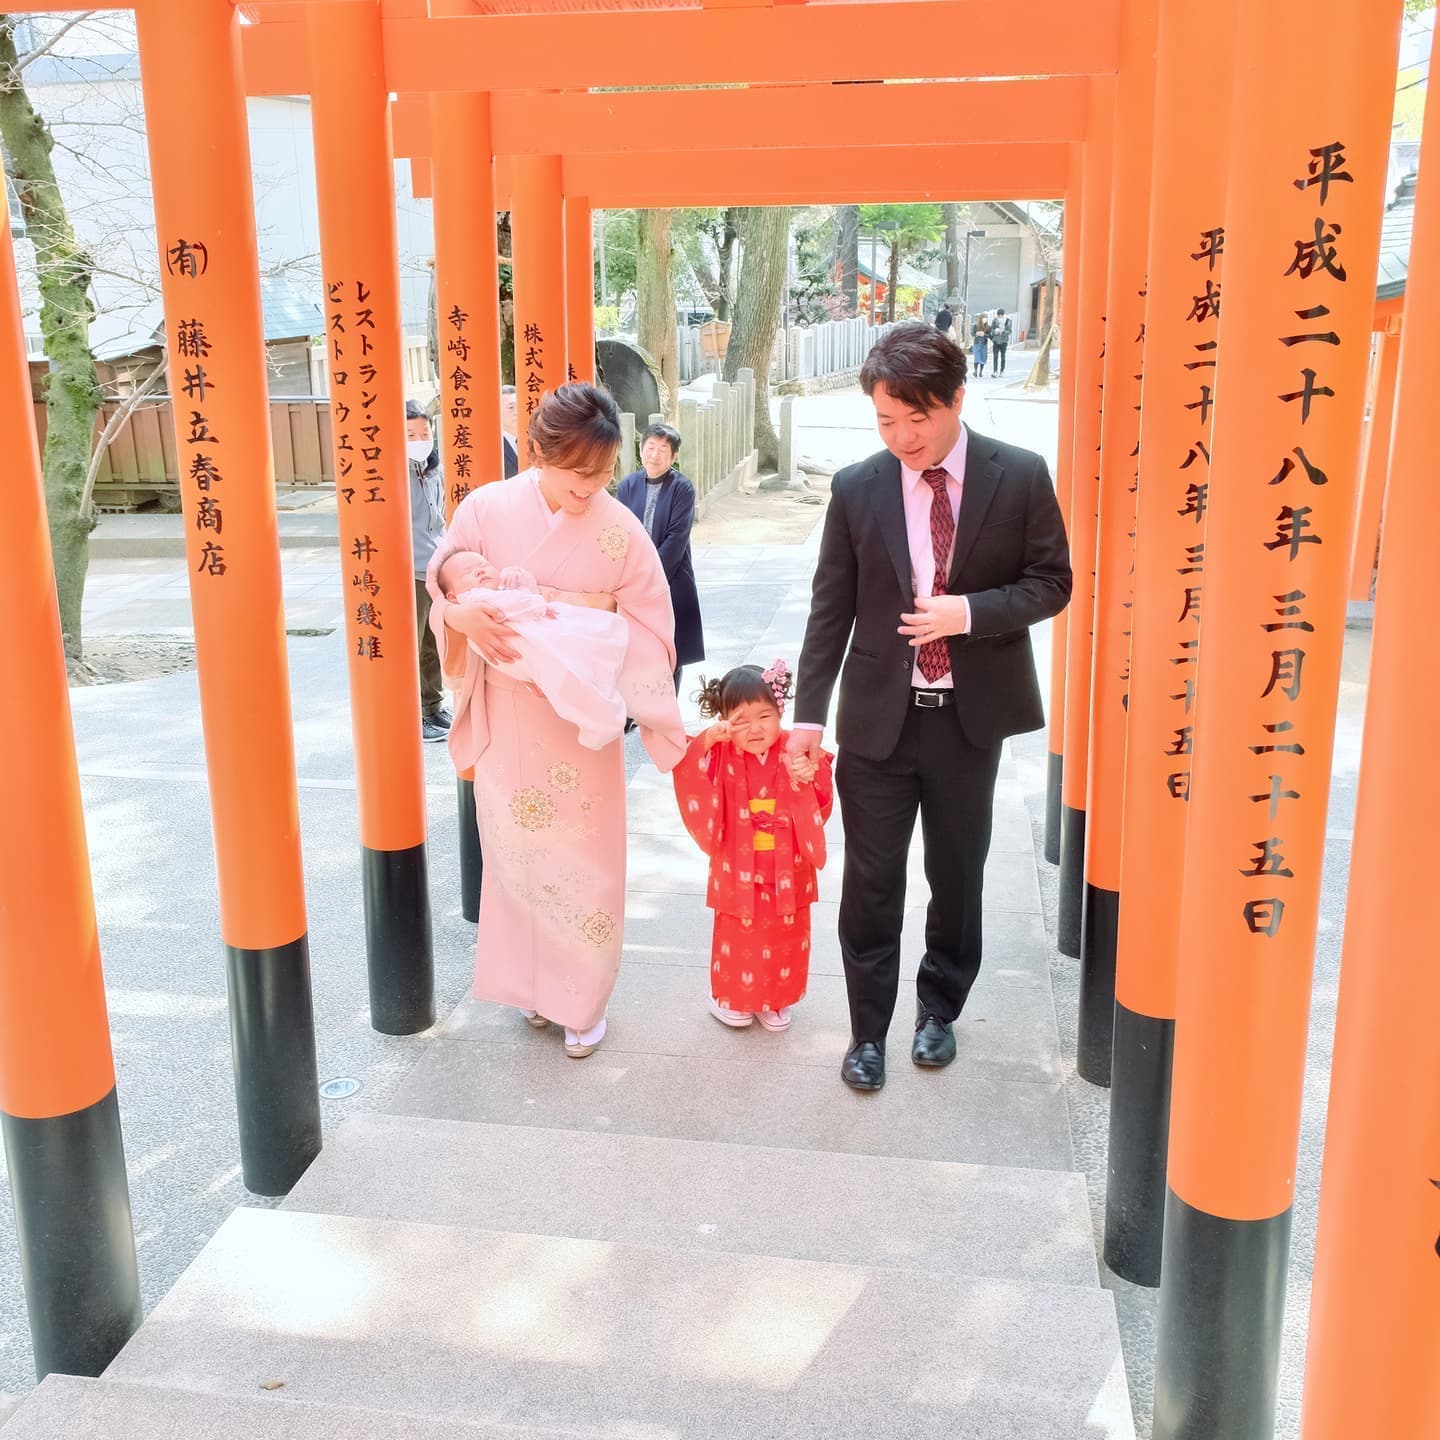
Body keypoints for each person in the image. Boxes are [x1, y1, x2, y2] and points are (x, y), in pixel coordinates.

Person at [786, 323, 1071, 1092]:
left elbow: (1053, 581)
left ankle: (939, 1010)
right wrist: (806, 719)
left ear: (955, 400)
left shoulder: (1018, 475)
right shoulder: (858, 487)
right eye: (886, 420)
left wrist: (968, 612)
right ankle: (867, 1031)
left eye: (919, 417)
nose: (903, 436)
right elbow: (828, 611)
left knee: (957, 875)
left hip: (966, 723)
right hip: (878, 720)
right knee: (871, 883)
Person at [426, 383, 685, 1058]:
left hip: (579, 723)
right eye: (579, 475)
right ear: (537, 452)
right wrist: (459, 615)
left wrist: (577, 627)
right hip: (509, 715)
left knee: (584, 861)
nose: (594, 488)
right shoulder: (485, 509)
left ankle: (583, 997)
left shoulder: (619, 527)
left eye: (604, 474)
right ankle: (533, 989)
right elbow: (444, 583)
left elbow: (653, 623)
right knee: (516, 859)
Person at [674, 661, 833, 1033]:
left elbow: (821, 799)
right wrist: (709, 740)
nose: (755, 728)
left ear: (781, 712)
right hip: (737, 860)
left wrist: (806, 781)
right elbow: (688, 769)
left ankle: (776, 1000)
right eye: (741, 720)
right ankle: (736, 999)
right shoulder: (720, 751)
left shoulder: (795, 748)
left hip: (787, 861)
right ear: (725, 720)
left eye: (765, 715)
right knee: (739, 931)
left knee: (785, 930)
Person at [435, 548, 631, 750]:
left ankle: (597, 723)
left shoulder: (497, 591)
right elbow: (516, 604)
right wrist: (537, 604)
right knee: (573, 664)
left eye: (483, 565)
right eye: (468, 572)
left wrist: (517, 577)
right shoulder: (476, 600)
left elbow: (521, 592)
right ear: (452, 596)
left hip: (531, 648)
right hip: (529, 646)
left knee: (569, 680)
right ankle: (601, 717)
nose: (480, 571)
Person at [616, 423, 705, 694]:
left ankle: (668, 708)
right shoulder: (628, 485)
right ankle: (637, 708)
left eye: (663, 449)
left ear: (674, 456)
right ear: (641, 449)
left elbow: (677, 539)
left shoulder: (682, 488)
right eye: (650, 447)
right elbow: (619, 531)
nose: (654, 454)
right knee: (636, 646)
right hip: (631, 580)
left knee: (670, 647)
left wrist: (650, 575)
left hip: (670, 577)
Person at [406, 401, 451, 743]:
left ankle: (433, 706)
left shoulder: (433, 468)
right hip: (411, 568)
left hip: (436, 566)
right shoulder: (396, 473)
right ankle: (417, 715)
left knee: (433, 642)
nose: (420, 439)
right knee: (413, 643)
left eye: (425, 432)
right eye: (410, 434)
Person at [499, 384, 521, 479]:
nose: (517, 412)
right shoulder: (494, 447)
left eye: (519, 406)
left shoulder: (534, 439)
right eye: (511, 408)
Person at [992, 308, 1012, 376]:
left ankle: (1002, 371)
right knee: (995, 356)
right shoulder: (995, 320)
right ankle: (995, 371)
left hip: (1004, 341)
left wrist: (1003, 332)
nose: (1000, 316)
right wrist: (995, 331)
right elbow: (992, 329)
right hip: (996, 341)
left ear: (1003, 315)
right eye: (998, 315)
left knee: (1003, 356)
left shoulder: (1008, 321)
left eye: (1001, 315)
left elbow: (1009, 331)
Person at [971, 313, 990, 379]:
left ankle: (981, 372)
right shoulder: (976, 325)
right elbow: (972, 333)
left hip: (984, 344)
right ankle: (975, 371)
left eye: (986, 318)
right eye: (983, 318)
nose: (985, 319)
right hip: (977, 343)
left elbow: (989, 335)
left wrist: (984, 334)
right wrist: (977, 333)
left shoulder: (988, 326)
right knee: (977, 358)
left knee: (983, 358)